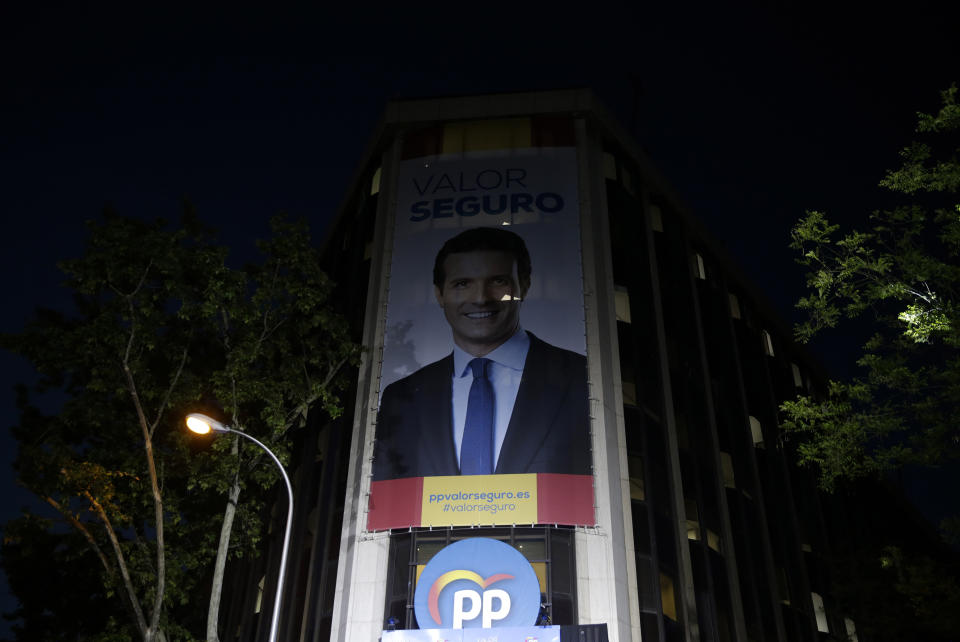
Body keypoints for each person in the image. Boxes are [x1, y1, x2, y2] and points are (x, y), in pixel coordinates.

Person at [373, 227, 590, 480]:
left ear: (525, 286)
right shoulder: (401, 397)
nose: (480, 298)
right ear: (440, 294)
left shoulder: (582, 378)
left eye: (498, 281)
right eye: (462, 284)